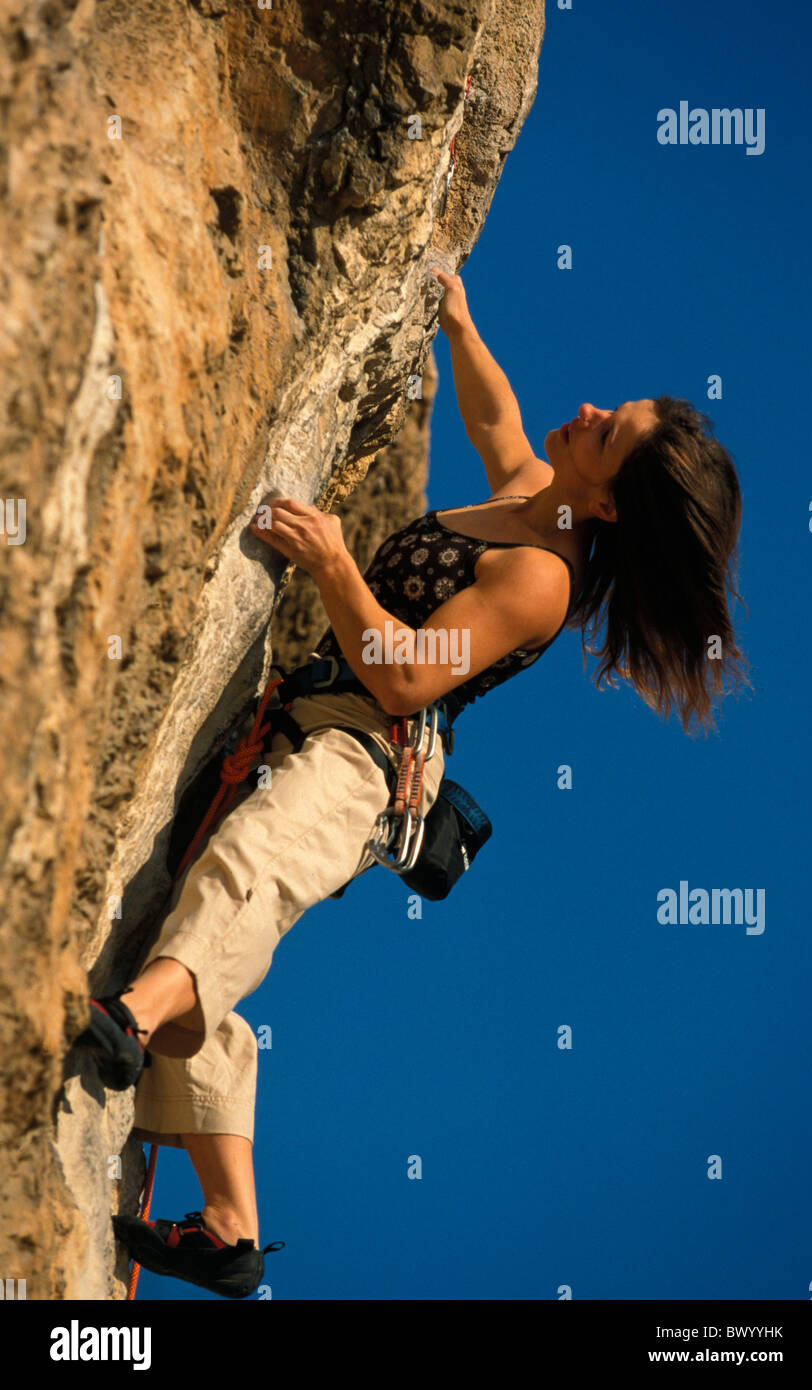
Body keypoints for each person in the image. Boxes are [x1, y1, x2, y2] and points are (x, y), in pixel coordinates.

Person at [76, 267, 749, 1297]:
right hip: (323, 718)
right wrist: (460, 324)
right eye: (612, 406)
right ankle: (228, 1223)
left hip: (367, 757)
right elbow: (498, 423)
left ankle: (130, 1013)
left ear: (610, 499)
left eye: (607, 427)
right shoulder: (537, 500)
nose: (587, 410)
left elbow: (401, 671)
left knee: (253, 868)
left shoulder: (542, 578)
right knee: (213, 899)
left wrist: (334, 564)